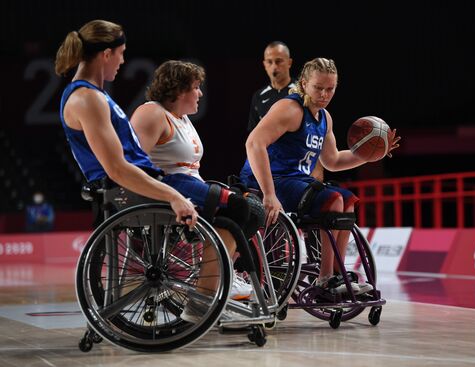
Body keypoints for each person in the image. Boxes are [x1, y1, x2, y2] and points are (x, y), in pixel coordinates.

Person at [54, 20, 250, 322]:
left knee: (241, 210)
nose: (122, 62)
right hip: (131, 188)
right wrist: (173, 195)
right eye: (121, 54)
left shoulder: (94, 95)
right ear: (106, 54)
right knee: (242, 209)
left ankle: (213, 285)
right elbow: (117, 168)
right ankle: (206, 296)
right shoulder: (86, 98)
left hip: (145, 181)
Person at [240, 57, 400, 295]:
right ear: (304, 84)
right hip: (269, 178)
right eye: (319, 88)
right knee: (332, 199)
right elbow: (253, 143)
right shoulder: (290, 109)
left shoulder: (325, 117)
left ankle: (338, 273)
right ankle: (325, 279)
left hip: (296, 179)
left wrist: (371, 154)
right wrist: (269, 193)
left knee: (347, 200)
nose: (325, 94)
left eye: (330, 89)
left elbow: (333, 161)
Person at [130, 60, 254, 301]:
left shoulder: (182, 118)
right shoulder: (152, 113)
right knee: (240, 206)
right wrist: (167, 194)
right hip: (171, 185)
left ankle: (219, 273)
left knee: (253, 209)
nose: (200, 93)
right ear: (178, 89)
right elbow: (135, 163)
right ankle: (208, 287)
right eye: (196, 87)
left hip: (190, 184)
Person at [249, 41, 324, 181]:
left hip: (299, 163)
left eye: (278, 61)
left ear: (289, 62)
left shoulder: (304, 91)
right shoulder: (258, 97)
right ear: (264, 64)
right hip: (271, 165)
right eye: (270, 62)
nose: (274, 67)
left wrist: (318, 167)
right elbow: (254, 138)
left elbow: (318, 129)